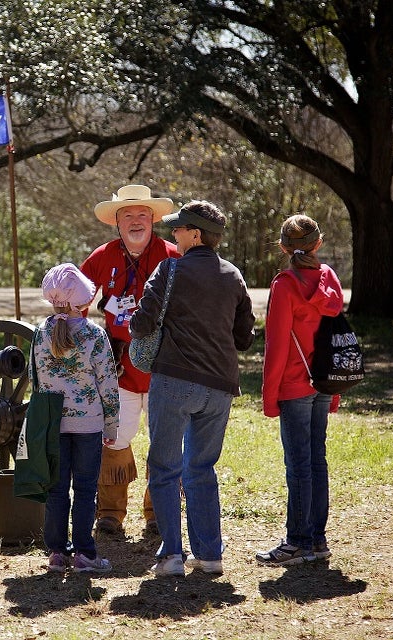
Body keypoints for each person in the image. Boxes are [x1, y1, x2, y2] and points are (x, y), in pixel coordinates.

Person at [130, 200, 255, 577]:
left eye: (179, 229)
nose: (173, 234)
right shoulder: (234, 275)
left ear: (196, 234)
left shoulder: (169, 270)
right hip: (219, 387)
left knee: (164, 468)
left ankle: (171, 557)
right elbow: (244, 338)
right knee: (201, 468)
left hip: (174, 381)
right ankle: (210, 555)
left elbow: (140, 325)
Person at [80, 184, 181, 537]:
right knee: (115, 438)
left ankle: (158, 512)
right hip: (119, 369)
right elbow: (76, 300)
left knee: (165, 442)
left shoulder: (174, 256)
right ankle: (110, 512)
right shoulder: (101, 257)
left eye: (142, 215)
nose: (136, 222)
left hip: (164, 368)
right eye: (128, 216)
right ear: (117, 222)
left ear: (153, 220)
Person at [257, 214, 344, 566]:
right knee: (317, 461)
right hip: (324, 379)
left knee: (298, 465)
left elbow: (277, 345)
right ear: (318, 244)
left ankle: (297, 542)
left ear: (282, 247)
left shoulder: (284, 284)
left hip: (294, 385)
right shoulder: (330, 280)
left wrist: (268, 396)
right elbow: (336, 338)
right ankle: (317, 539)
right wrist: (335, 390)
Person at [34, 264, 120, 573]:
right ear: (81, 299)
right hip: (88, 425)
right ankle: (85, 553)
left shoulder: (41, 334)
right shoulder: (94, 335)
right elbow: (107, 383)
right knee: (85, 490)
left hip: (54, 423)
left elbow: (37, 381)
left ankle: (57, 553)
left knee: (56, 489)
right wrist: (111, 423)